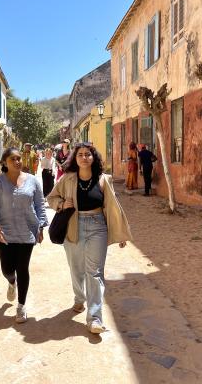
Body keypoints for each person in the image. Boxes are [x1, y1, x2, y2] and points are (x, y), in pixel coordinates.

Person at [47, 142, 132, 334]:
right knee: (76, 269)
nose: (84, 157)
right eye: (80, 155)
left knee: (94, 273)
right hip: (73, 226)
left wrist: (119, 233)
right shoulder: (67, 179)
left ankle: (95, 317)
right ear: (75, 159)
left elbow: (113, 208)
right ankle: (79, 298)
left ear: (94, 158)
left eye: (88, 154)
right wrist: (61, 204)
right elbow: (51, 198)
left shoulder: (103, 180)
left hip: (97, 227)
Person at [0, 147, 48, 323]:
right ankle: (11, 282)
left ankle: (21, 306)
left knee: (23, 268)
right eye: (13, 159)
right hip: (5, 232)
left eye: (19, 158)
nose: (17, 162)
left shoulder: (32, 181)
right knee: (7, 269)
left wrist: (41, 227)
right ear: (5, 163)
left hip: (27, 230)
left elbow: (40, 205)